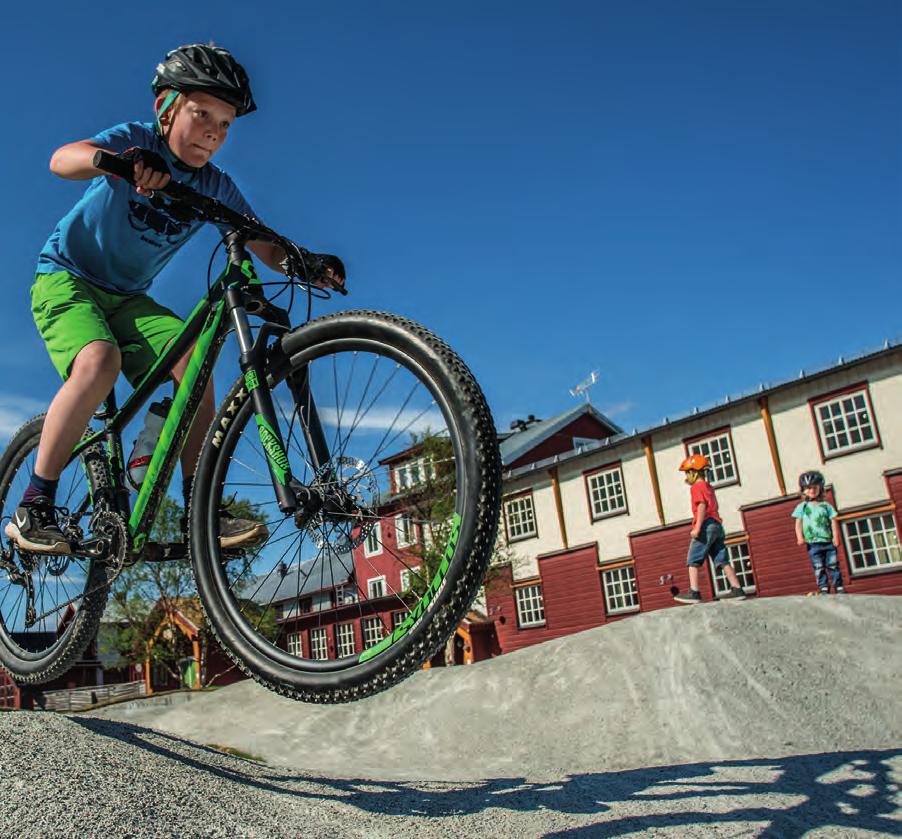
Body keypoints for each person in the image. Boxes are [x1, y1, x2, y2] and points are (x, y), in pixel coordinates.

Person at [5, 44, 343, 555]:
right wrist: (120, 162)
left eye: (226, 124)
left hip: (128, 299)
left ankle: (198, 510)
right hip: (67, 280)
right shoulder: (138, 142)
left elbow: (262, 241)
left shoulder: (215, 186)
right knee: (99, 362)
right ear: (166, 108)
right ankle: (36, 505)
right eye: (201, 113)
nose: (213, 131)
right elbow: (62, 160)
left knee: (196, 364)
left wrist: (304, 262)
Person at [673, 454, 746, 604]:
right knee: (721, 559)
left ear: (694, 472)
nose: (687, 476)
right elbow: (713, 505)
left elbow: (701, 506)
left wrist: (697, 528)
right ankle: (737, 589)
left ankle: (694, 592)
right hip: (717, 525)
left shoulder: (696, 487)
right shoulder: (708, 487)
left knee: (693, 558)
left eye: (688, 472)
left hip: (705, 524)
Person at [792, 471, 845, 594]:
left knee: (833, 564)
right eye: (808, 488)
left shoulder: (826, 506)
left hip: (828, 541)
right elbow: (798, 523)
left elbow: (833, 522)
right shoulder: (802, 507)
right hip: (813, 544)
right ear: (803, 490)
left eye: (814, 487)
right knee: (818, 566)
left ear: (820, 488)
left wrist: (836, 537)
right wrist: (799, 537)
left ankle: (838, 586)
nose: (811, 490)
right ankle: (824, 587)